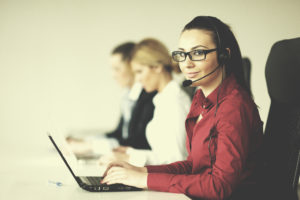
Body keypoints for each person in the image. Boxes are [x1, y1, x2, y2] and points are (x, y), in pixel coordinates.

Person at [101, 16, 264, 200]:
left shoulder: (234, 107)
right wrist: (142, 171)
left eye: (198, 53)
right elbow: (192, 165)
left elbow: (219, 187)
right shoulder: (200, 100)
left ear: (223, 55)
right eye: (182, 54)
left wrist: (144, 180)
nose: (187, 63)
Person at [100, 38, 191, 166]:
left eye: (139, 72)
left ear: (157, 67)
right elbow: (162, 153)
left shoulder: (174, 102)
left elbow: (176, 160)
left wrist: (129, 158)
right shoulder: (162, 99)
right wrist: (130, 152)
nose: (137, 79)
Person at [67, 42, 156, 157]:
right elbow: (119, 134)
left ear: (132, 66)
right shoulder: (128, 96)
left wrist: (90, 146)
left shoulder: (149, 96)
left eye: (117, 69)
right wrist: (84, 141)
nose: (113, 75)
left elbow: (138, 142)